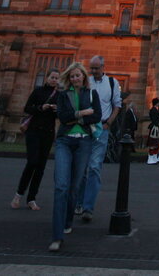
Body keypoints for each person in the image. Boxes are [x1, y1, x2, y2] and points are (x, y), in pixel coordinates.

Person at [49, 61, 100, 252]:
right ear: (69, 79)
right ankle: (57, 236)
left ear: (84, 76)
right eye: (72, 76)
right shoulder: (63, 95)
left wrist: (75, 116)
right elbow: (63, 117)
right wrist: (82, 113)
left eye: (78, 75)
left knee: (74, 188)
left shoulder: (91, 93)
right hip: (64, 141)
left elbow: (97, 116)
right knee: (61, 186)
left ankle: (67, 220)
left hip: (84, 142)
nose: (75, 78)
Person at [74, 55, 122, 223]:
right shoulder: (85, 81)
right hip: (85, 128)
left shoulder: (112, 83)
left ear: (103, 67)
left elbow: (117, 105)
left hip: (102, 129)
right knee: (82, 167)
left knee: (94, 167)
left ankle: (88, 208)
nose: (93, 71)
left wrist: (108, 123)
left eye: (95, 68)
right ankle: (79, 202)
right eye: (91, 68)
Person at [12, 68, 59, 212]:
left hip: (48, 133)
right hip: (34, 131)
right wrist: (41, 107)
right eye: (52, 77)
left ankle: (31, 199)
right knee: (32, 162)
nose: (54, 80)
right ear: (47, 78)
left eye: (57, 78)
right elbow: (27, 108)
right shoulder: (38, 91)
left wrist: (57, 110)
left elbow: (61, 115)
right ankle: (18, 194)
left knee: (40, 167)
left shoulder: (59, 95)